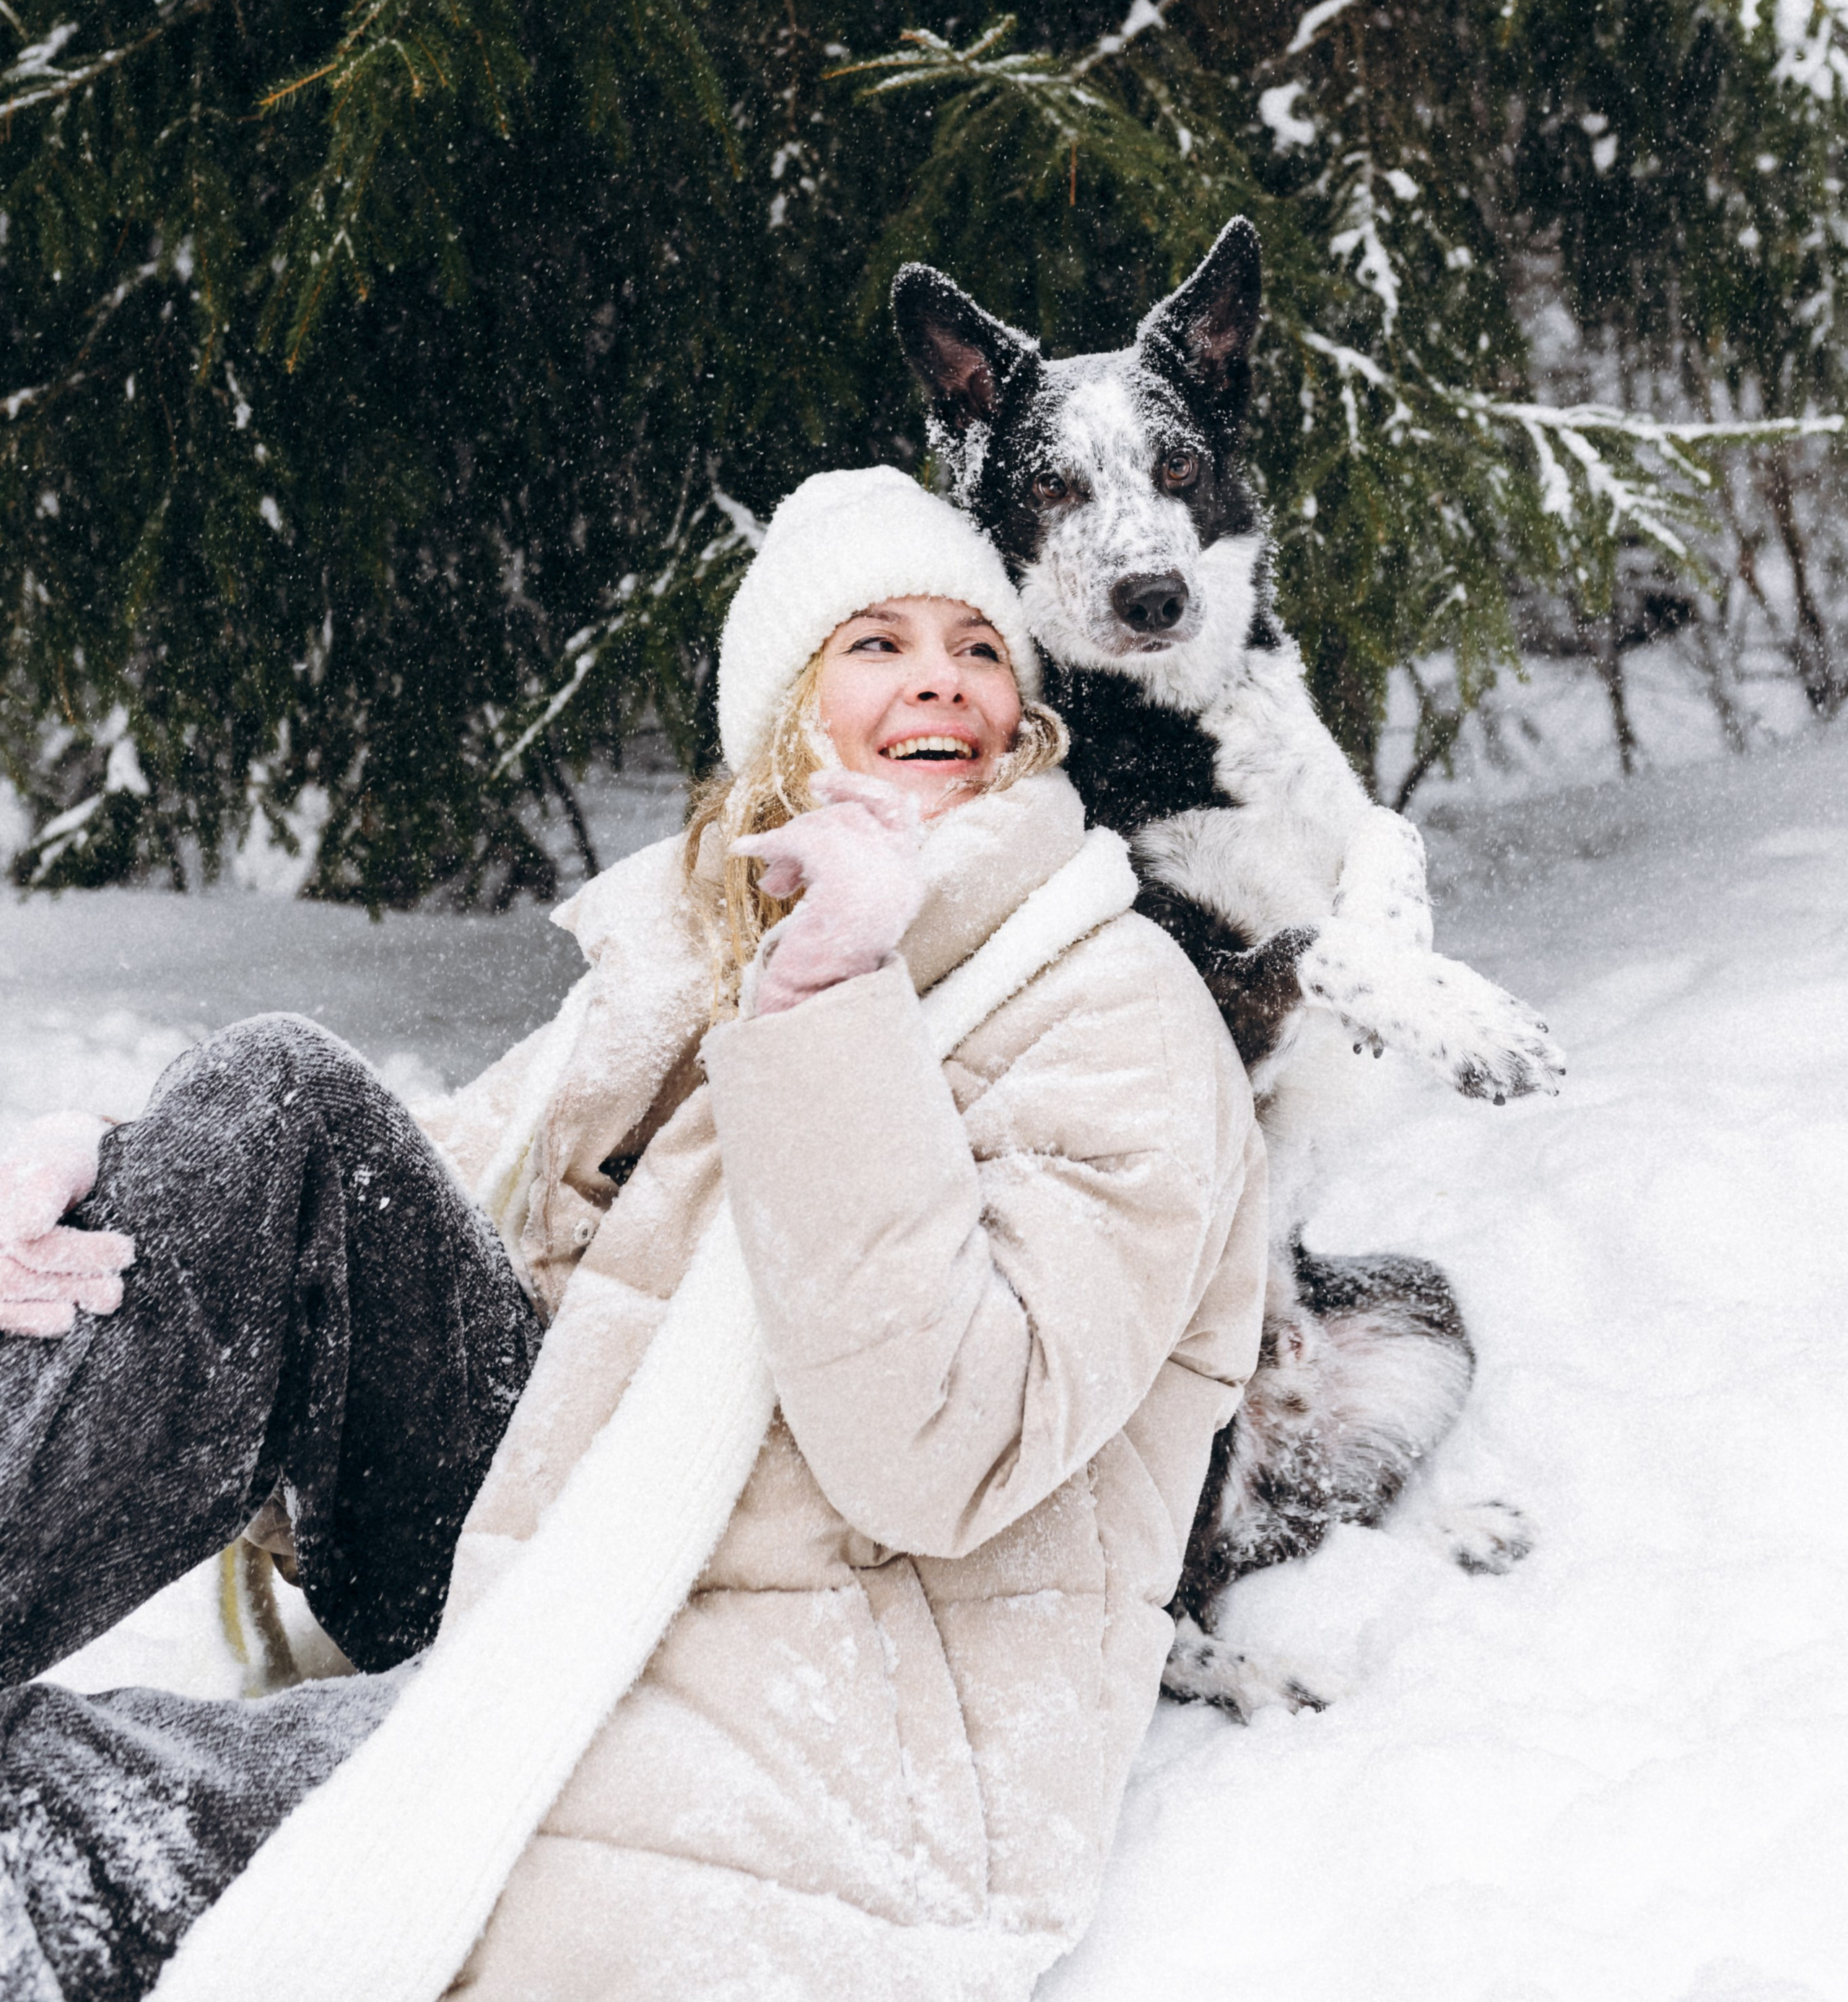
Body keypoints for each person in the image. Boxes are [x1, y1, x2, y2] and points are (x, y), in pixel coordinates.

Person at [0, 466, 1267, 2002]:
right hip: (559, 1541)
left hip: (786, 1698)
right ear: (783, 715)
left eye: (978, 647)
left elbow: (943, 1447)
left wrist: (834, 1004)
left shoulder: (1112, 1002)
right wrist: (98, 1182)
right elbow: (401, 1199)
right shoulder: (685, 960)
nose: (940, 671)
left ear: (1019, 719)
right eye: (874, 641)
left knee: (40, 1808)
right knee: (274, 1100)